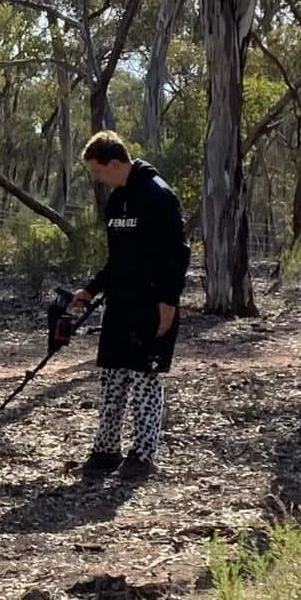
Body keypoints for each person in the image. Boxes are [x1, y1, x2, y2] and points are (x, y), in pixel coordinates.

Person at [71, 131, 190, 479]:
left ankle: (143, 454)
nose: (98, 179)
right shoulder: (116, 202)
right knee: (111, 378)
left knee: (144, 380)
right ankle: (106, 451)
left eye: (99, 171)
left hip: (152, 306)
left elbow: (178, 255)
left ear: (116, 163)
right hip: (119, 306)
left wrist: (169, 302)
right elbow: (118, 259)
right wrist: (91, 290)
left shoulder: (158, 195)